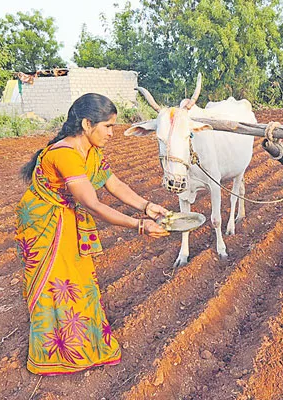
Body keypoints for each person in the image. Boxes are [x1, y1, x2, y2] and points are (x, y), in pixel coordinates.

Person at [15, 93, 169, 376]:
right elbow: (92, 203)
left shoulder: (91, 151)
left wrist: (148, 206)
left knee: (78, 281)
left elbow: (114, 184)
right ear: (87, 124)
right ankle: (54, 351)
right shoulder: (64, 154)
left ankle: (83, 343)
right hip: (44, 223)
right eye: (108, 126)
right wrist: (139, 225)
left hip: (66, 216)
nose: (113, 132)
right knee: (54, 284)